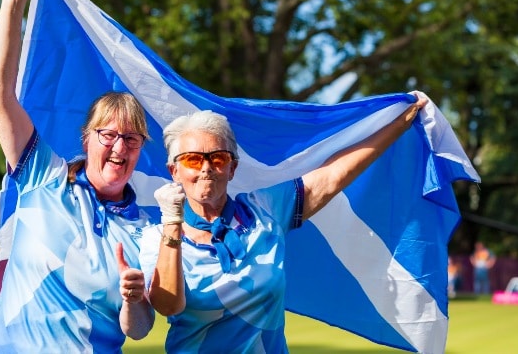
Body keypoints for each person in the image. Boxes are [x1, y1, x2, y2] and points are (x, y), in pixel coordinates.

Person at [139, 94, 428, 352]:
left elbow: (333, 175)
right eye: (192, 159)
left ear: (232, 167)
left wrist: (399, 122)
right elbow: (167, 305)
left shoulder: (264, 209)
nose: (205, 168)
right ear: (174, 171)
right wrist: (172, 222)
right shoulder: (156, 237)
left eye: (218, 158)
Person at [0, 0, 154, 352]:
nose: (119, 147)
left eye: (132, 139)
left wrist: (135, 299)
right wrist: (13, 3)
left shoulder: (147, 232)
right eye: (108, 135)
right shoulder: (45, 176)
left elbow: (138, 330)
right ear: (87, 139)